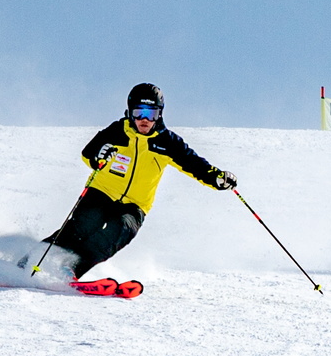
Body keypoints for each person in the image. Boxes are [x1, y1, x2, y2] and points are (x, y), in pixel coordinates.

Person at [26, 83, 236, 280]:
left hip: (136, 204)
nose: (144, 119)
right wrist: (98, 157)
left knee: (119, 233)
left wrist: (217, 178)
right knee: (81, 228)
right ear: (130, 112)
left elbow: (194, 164)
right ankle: (28, 262)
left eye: (151, 114)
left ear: (159, 114)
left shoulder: (167, 142)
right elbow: (88, 153)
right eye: (139, 113)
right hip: (102, 192)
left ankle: (70, 270)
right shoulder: (116, 132)